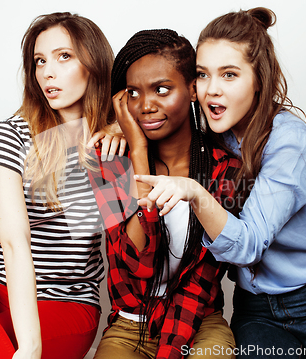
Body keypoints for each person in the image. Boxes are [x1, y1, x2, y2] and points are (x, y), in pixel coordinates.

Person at [135, 7, 306, 359]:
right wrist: (123, 131)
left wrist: (197, 193)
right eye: (203, 75)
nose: (212, 89)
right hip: (254, 309)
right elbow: (162, 117)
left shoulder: (289, 141)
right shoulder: (215, 138)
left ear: (258, 79)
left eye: (229, 75)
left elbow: (248, 246)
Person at [0, 12, 121, 359]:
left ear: (94, 63)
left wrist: (122, 132)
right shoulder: (11, 135)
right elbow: (15, 244)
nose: (47, 71)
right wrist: (29, 346)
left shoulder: (114, 143)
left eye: (64, 56)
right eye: (39, 61)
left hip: (67, 300)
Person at [88, 29, 239, 359]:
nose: (145, 105)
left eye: (161, 89)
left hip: (200, 319)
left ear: (193, 89)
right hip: (131, 326)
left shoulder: (224, 170)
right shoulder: (112, 164)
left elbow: (207, 274)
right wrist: (139, 152)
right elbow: (134, 259)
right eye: (133, 93)